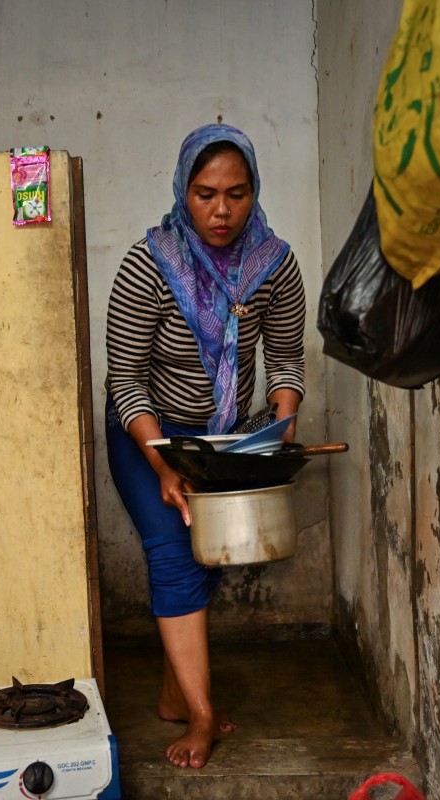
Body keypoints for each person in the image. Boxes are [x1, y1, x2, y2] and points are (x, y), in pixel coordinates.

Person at [104, 123, 306, 769]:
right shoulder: (149, 265)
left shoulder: (274, 265)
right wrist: (162, 463)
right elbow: (124, 378)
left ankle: (174, 693)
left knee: (207, 553)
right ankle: (200, 715)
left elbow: (287, 359)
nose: (222, 211)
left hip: (223, 433)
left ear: (254, 192)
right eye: (206, 194)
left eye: (236, 194)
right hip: (146, 430)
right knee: (174, 552)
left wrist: (282, 427)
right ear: (183, 192)